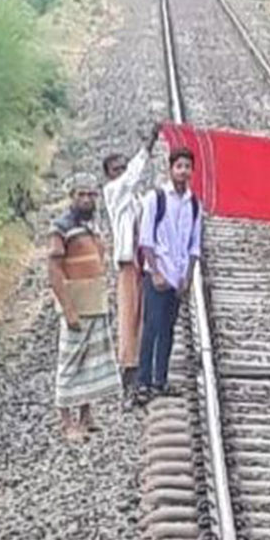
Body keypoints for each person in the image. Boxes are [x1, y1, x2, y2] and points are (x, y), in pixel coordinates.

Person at [48, 173, 122, 437]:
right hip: (77, 305)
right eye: (82, 194)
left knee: (92, 362)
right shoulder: (61, 227)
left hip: (95, 303)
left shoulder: (92, 226)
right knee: (70, 362)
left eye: (92, 195)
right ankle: (67, 422)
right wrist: (67, 309)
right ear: (71, 197)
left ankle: (86, 415)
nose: (87, 199)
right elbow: (54, 271)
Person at [136, 146, 202, 403]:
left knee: (168, 329)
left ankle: (160, 380)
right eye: (179, 166)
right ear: (171, 168)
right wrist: (155, 272)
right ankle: (143, 382)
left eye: (187, 167)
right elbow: (146, 240)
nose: (183, 171)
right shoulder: (157, 198)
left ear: (191, 171)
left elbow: (195, 246)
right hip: (158, 274)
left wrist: (188, 277)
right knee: (151, 327)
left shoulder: (194, 204)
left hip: (178, 276)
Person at [102, 124, 160, 409]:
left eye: (124, 167)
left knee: (144, 314)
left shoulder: (135, 198)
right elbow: (131, 180)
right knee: (129, 314)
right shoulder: (114, 192)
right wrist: (147, 146)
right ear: (109, 175)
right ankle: (129, 367)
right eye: (117, 169)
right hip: (128, 263)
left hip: (142, 263)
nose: (122, 172)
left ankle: (141, 363)